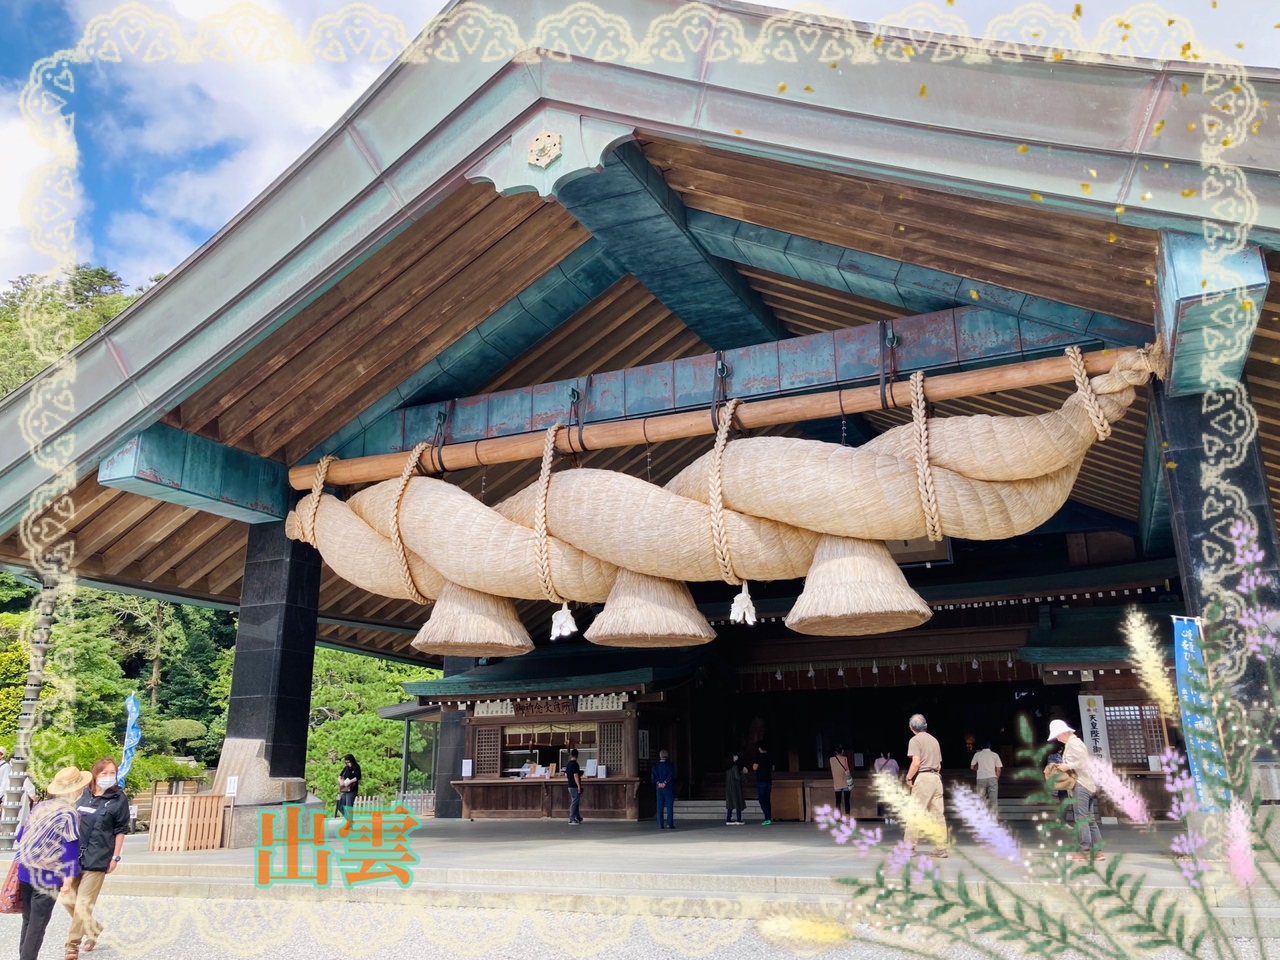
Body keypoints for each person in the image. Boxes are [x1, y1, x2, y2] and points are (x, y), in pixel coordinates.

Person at [14, 766, 89, 960]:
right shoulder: (69, 814)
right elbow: (70, 849)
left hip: (25, 870)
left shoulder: (40, 806)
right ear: (75, 790)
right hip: (48, 876)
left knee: (28, 921)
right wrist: (67, 881)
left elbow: (20, 835)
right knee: (37, 926)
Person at [62, 757, 129, 958]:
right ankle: (93, 928)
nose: (108, 777)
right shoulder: (83, 795)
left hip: (99, 856)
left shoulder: (118, 799)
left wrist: (115, 857)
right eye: (104, 773)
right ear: (95, 774)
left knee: (83, 902)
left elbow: (120, 830)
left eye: (112, 773)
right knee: (67, 898)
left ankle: (72, 945)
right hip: (76, 855)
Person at [1049, 719, 1102, 860]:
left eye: (1059, 735)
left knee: (1081, 819)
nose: (1058, 738)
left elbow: (1084, 762)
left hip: (1081, 784)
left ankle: (1084, 850)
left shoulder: (1074, 744)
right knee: (1089, 819)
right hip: (1087, 784)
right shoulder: (1073, 743)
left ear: (1065, 732)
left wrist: (1068, 766)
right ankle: (1097, 851)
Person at [904, 714, 947, 858]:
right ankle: (941, 848)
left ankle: (909, 848)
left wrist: (909, 777)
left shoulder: (915, 740)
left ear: (911, 727)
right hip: (936, 778)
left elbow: (916, 762)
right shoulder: (934, 740)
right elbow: (939, 765)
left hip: (924, 778)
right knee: (938, 815)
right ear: (926, 725)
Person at [970, 740, 1003, 813]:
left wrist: (979, 769)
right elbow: (999, 769)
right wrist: (996, 778)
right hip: (992, 777)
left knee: (981, 799)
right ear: (989, 746)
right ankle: (994, 817)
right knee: (993, 800)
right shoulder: (995, 755)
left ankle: (982, 816)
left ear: (981, 747)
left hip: (981, 778)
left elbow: (972, 767)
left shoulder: (977, 754)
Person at [651, 749, 675, 829]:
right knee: (669, 806)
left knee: (659, 806)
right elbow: (671, 775)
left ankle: (660, 824)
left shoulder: (655, 766)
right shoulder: (670, 765)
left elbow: (653, 777)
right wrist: (665, 782)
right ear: (667, 756)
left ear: (660, 756)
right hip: (667, 787)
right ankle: (669, 823)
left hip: (659, 787)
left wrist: (658, 783)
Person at [752, 742, 773, 826]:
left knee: (762, 800)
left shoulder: (758, 757)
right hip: (768, 780)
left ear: (760, 748)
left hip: (761, 780)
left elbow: (754, 767)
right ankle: (769, 817)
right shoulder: (769, 756)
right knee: (767, 800)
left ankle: (767, 818)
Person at [874, 752, 900, 823]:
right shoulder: (893, 761)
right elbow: (897, 770)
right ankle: (892, 817)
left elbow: (877, 771)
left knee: (883, 801)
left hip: (882, 784)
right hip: (892, 784)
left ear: (881, 754)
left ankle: (885, 817)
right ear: (889, 754)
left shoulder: (877, 761)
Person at [829, 745, 852, 816]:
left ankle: (838, 816)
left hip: (837, 783)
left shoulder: (831, 759)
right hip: (845, 782)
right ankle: (847, 816)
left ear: (835, 752)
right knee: (847, 801)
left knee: (838, 801)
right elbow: (847, 770)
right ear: (842, 751)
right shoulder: (845, 758)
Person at [336, 755, 361, 820]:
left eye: (349, 762)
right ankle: (349, 819)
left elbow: (358, 777)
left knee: (348, 806)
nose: (348, 763)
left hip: (352, 789)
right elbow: (339, 776)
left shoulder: (356, 767)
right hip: (345, 789)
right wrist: (341, 781)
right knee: (340, 805)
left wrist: (350, 781)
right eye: (346, 762)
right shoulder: (346, 768)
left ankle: (349, 823)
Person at [724, 754, 745, 825]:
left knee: (730, 803)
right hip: (735, 787)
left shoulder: (728, 768)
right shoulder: (735, 767)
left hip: (729, 787)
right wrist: (743, 776)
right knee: (738, 802)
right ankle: (739, 819)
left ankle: (728, 818)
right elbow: (737, 776)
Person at [564, 748, 584, 824]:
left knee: (576, 801)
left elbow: (566, 774)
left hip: (570, 785)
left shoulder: (568, 764)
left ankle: (577, 817)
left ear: (571, 755)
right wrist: (578, 786)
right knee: (574, 801)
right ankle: (572, 818)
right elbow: (575, 775)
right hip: (574, 786)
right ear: (577, 756)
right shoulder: (575, 764)